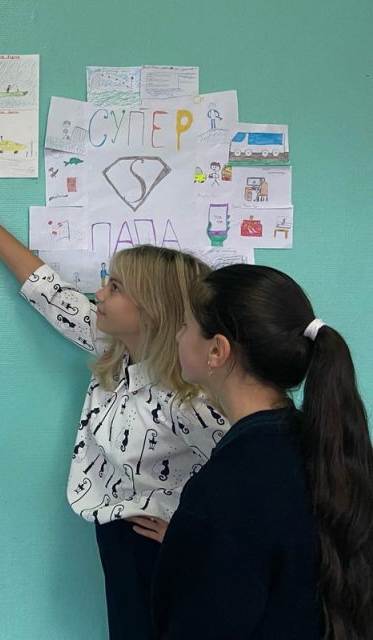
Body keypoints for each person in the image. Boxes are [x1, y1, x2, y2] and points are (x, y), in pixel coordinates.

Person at [0, 163, 225, 640]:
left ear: (152, 311)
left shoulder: (191, 400)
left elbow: (256, 481)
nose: (99, 293)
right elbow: (48, 292)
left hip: (164, 551)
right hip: (116, 536)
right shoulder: (117, 349)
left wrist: (194, 538)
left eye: (115, 288)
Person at [154, 265, 373, 639]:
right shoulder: (326, 448)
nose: (177, 335)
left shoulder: (227, 486)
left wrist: (196, 542)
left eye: (186, 325)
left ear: (217, 350)